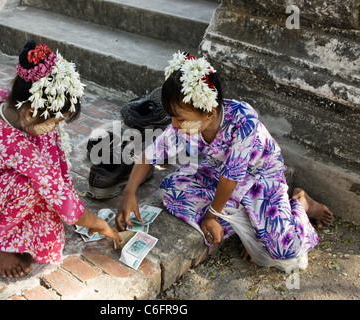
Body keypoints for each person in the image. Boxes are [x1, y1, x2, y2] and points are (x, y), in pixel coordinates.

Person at [116, 52, 333, 270]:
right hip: (218, 172)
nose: (174, 124)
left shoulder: (244, 119)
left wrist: (211, 216)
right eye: (172, 116)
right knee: (171, 190)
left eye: (179, 118)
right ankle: (253, 226)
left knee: (285, 250)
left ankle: (301, 203)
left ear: (209, 113)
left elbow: (231, 178)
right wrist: (129, 192)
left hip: (261, 177)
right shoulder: (185, 125)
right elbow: (151, 153)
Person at [0, 41, 121, 278]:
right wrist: (99, 224)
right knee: (30, 185)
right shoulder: (18, 149)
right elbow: (57, 195)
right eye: (53, 120)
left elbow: (41, 153)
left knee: (42, 150)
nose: (55, 127)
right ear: (31, 111)